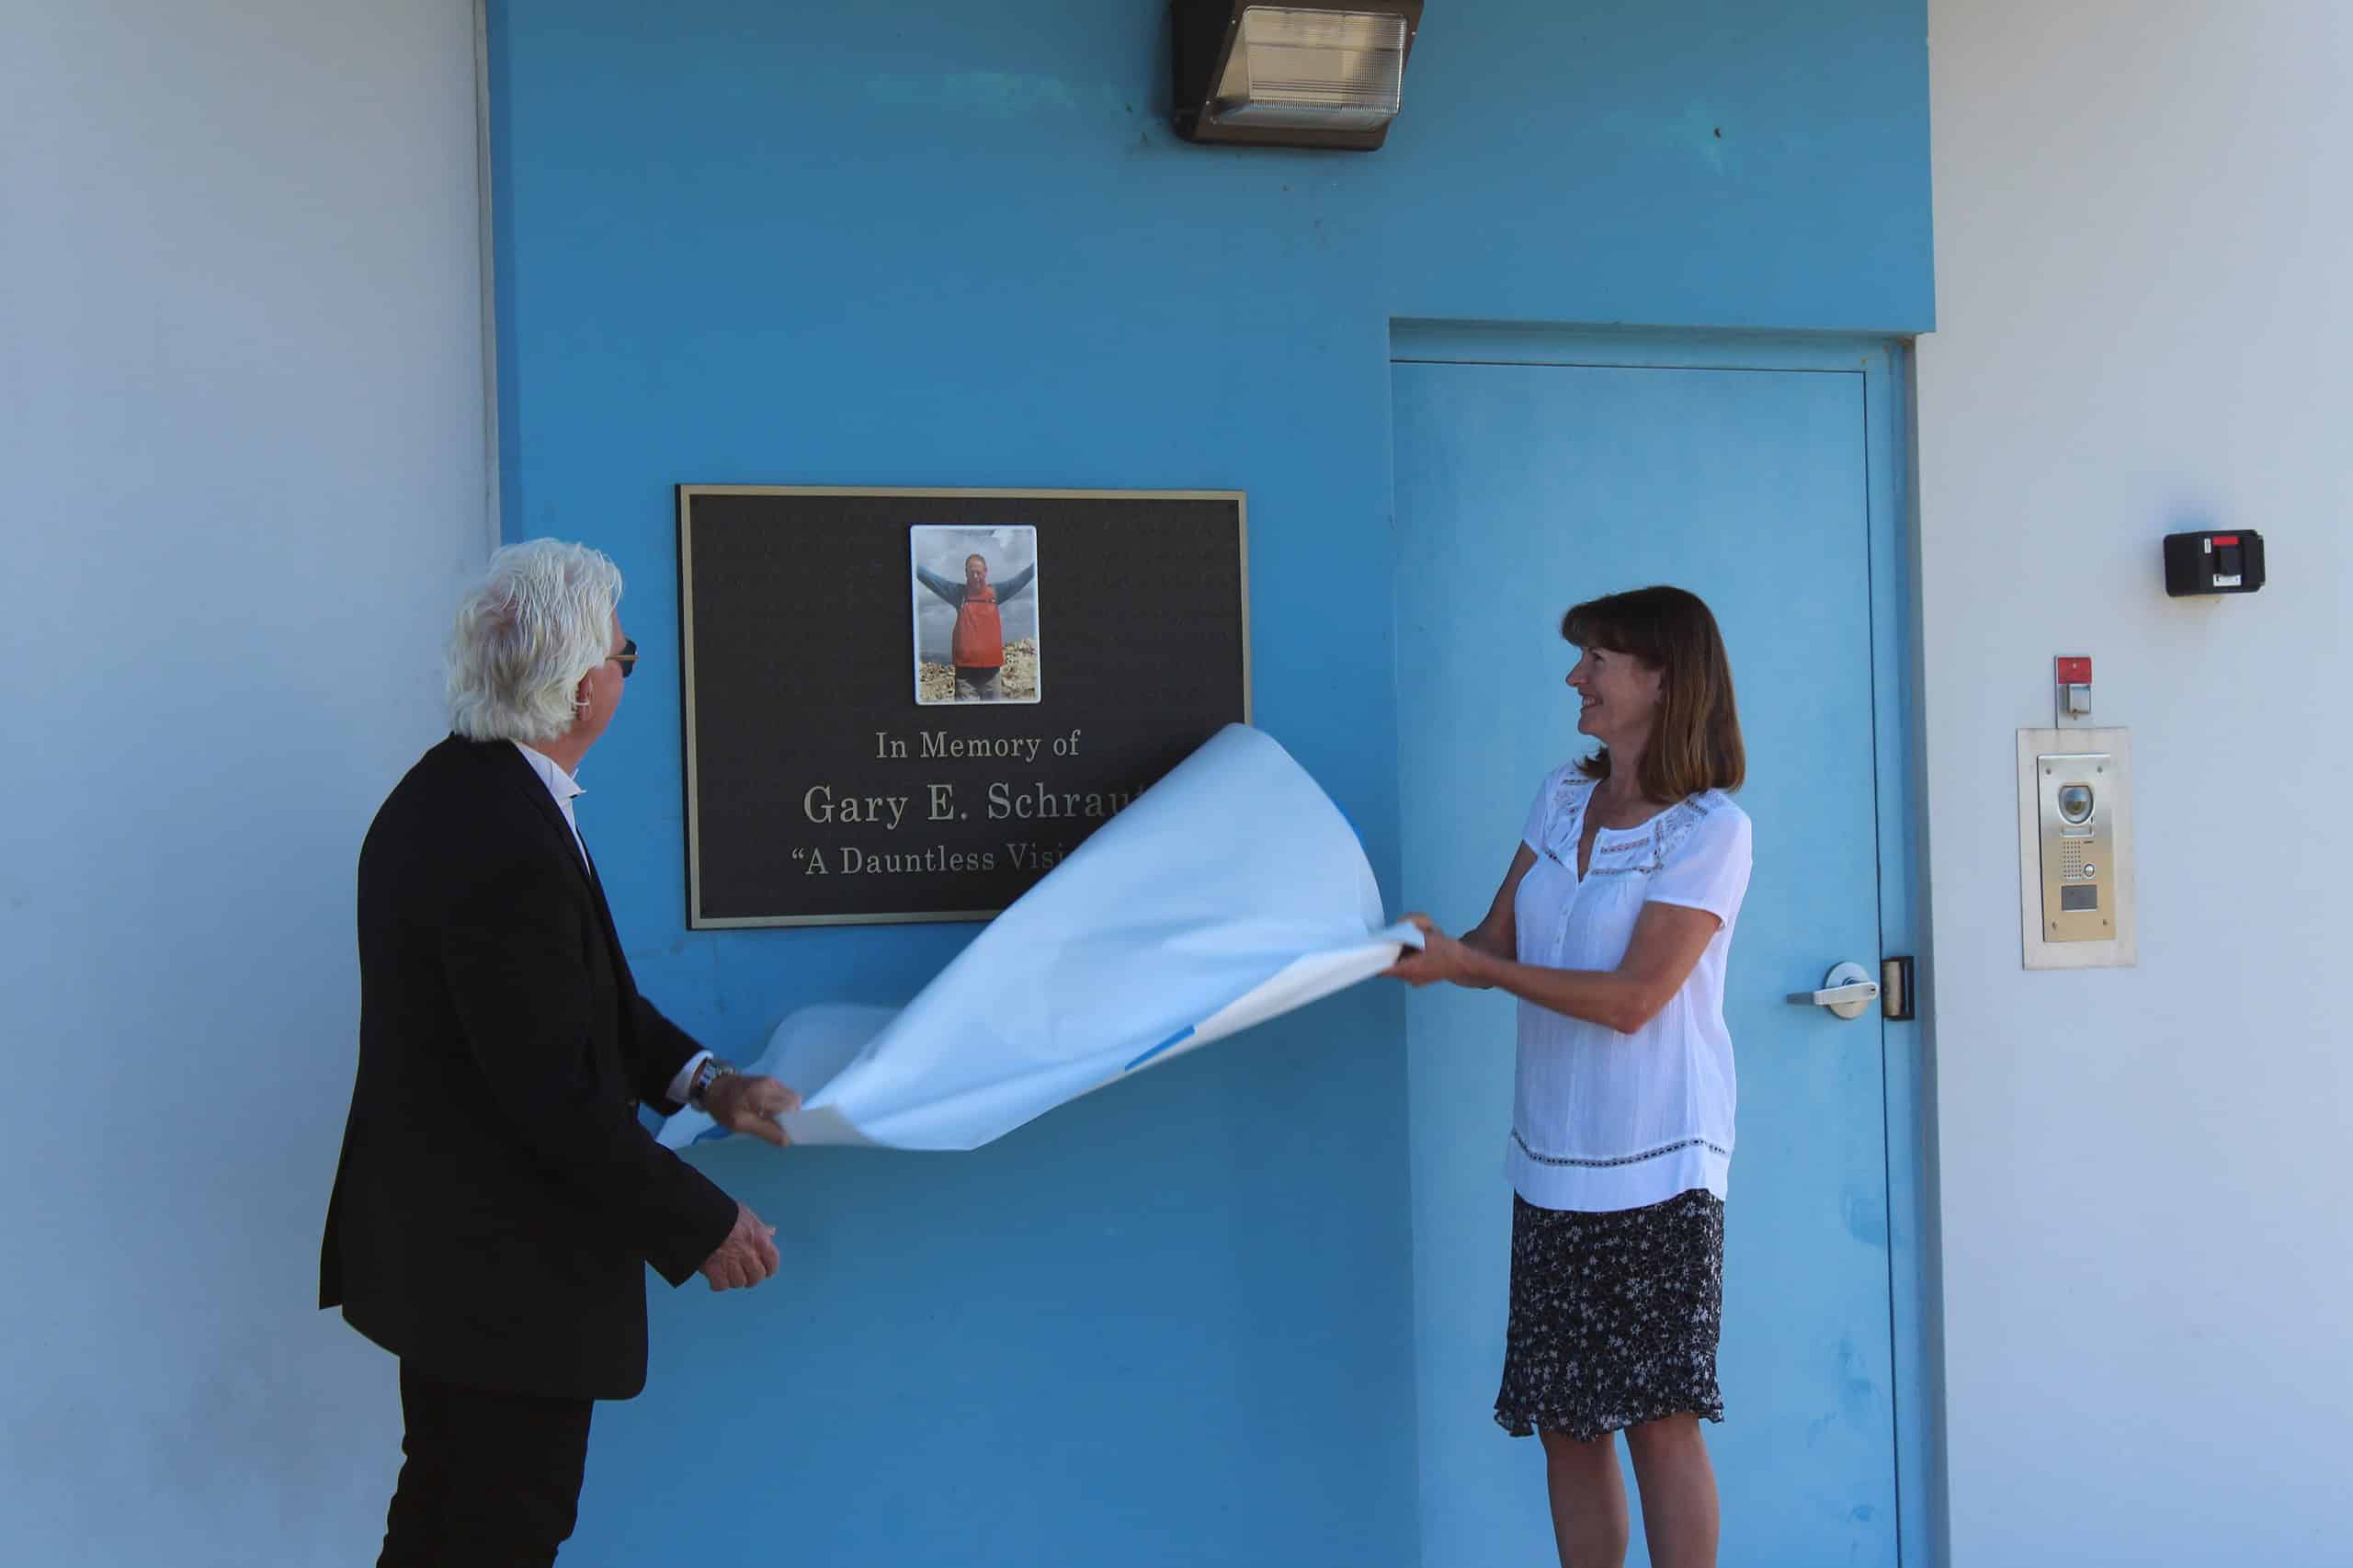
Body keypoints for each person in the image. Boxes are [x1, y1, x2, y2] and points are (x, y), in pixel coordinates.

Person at [320, 539, 802, 1566]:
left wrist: (710, 1084)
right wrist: (702, 1220)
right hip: (498, 1276)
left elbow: (586, 1009)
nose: (627, 672)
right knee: (491, 1528)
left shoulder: (461, 792)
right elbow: (549, 1092)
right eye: (627, 655)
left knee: (454, 1517)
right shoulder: (501, 835)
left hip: (454, 1262)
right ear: (586, 685)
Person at [1386, 585, 1752, 1568]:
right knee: (1566, 1420)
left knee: (1658, 1418)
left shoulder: (1711, 829)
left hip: (1658, 1168)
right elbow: (1491, 940)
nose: (1574, 677)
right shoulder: (1559, 795)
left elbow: (1636, 998)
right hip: (1549, 1158)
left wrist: (1477, 967)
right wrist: (1388, 948)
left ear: (1663, 677)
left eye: (1596, 658)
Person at [915, 550, 1035, 700]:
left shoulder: (997, 592)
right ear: (966, 573)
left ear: (986, 572)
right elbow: (930, 579)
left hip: (992, 673)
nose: (976, 577)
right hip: (965, 675)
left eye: (979, 572)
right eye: (972, 573)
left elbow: (1022, 579)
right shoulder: (958, 593)